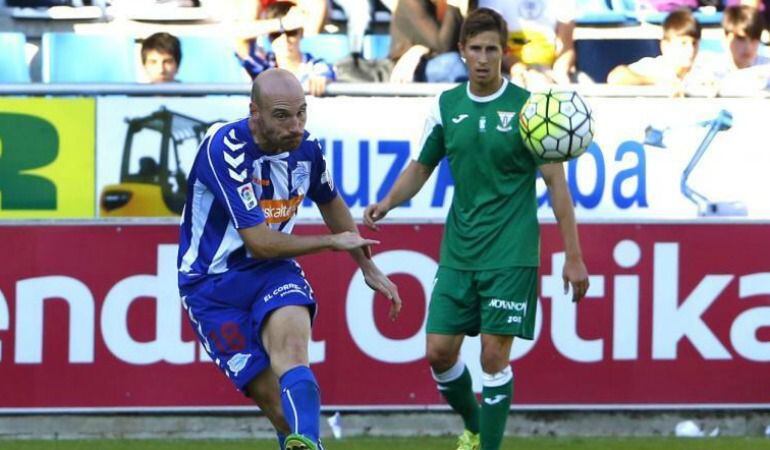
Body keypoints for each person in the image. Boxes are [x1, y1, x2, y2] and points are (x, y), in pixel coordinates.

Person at [364, 8, 588, 450]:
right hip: (459, 252)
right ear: (462, 51)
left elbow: (556, 184)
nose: (484, 59)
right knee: (438, 353)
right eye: (476, 49)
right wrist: (387, 201)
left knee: (492, 356)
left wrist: (574, 257)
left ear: (504, 53)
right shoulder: (447, 106)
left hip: (511, 253)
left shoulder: (530, 110)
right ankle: (474, 425)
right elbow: (421, 166)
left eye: (492, 50)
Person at [177, 68, 401, 450]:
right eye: (282, 116)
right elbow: (260, 242)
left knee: (294, 354)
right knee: (281, 411)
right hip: (211, 285)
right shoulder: (224, 149)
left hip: (272, 272)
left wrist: (367, 266)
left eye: (301, 113)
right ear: (255, 112)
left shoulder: (306, 148)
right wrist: (331, 243)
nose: (295, 126)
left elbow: (330, 201)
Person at [237, 0, 336, 96]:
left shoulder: (318, 68)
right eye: (276, 34)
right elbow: (239, 39)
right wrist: (282, 24)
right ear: (268, 36)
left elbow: (325, 72)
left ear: (301, 33)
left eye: (291, 32)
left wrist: (323, 80)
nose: (284, 40)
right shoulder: (263, 66)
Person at [478, 0, 577, 88]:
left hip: (548, 70)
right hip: (504, 70)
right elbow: (490, 44)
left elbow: (566, 47)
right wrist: (520, 70)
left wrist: (560, 74)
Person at [606, 8, 701, 94]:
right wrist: (657, 81)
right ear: (665, 45)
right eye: (683, 43)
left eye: (694, 43)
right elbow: (615, 77)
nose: (691, 49)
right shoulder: (653, 66)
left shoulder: (702, 70)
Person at [388, 0, 470, 83]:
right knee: (451, 63)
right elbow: (443, 46)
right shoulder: (412, 2)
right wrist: (454, 6)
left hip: (436, 59)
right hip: (410, 69)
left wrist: (465, 13)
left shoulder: (441, 4)